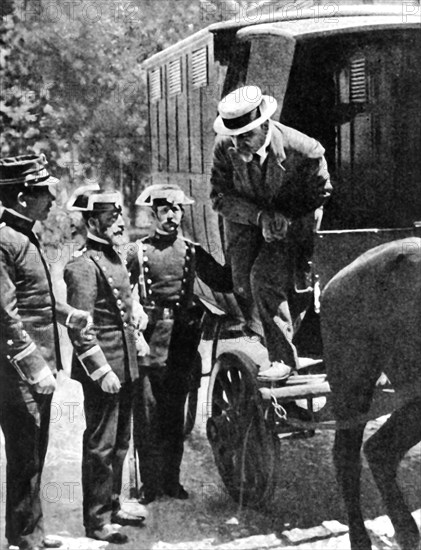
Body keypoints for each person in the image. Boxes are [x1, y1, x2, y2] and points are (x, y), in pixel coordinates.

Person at [0, 154, 92, 550]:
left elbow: (33, 298)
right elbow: (5, 314)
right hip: (19, 370)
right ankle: (26, 537)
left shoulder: (24, 234)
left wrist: (67, 314)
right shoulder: (5, 239)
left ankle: (28, 531)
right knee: (26, 455)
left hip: (37, 367)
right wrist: (35, 365)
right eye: (43, 192)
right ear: (23, 196)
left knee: (36, 452)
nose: (52, 201)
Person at [210, 85, 332, 381]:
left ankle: (283, 358)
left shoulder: (303, 149)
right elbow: (219, 197)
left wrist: (286, 218)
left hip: (293, 227)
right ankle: (271, 342)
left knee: (265, 280)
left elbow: (322, 190)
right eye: (235, 135)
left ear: (265, 125)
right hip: (247, 227)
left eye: (247, 135)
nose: (240, 142)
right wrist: (260, 216)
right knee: (245, 288)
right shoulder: (225, 147)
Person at [127, 183, 233, 505]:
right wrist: (131, 314)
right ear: (153, 214)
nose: (171, 216)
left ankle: (171, 482)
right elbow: (119, 290)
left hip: (182, 343)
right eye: (164, 210)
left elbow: (224, 280)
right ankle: (150, 484)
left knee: (174, 415)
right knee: (147, 417)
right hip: (148, 343)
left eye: (176, 210)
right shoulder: (137, 251)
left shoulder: (191, 250)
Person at [63, 185, 147, 544]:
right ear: (92, 220)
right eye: (111, 217)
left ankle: (113, 504)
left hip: (126, 364)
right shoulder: (81, 266)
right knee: (100, 445)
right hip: (105, 370)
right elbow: (81, 329)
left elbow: (126, 310)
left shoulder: (116, 257)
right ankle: (96, 521)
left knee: (120, 442)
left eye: (119, 215)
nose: (119, 222)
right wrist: (102, 372)